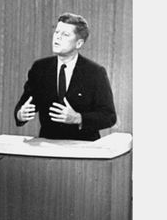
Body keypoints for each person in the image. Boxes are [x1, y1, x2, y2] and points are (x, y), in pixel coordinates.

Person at [14, 12, 116, 141]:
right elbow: (24, 104)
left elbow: (109, 117)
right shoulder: (40, 68)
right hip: (48, 146)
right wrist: (20, 114)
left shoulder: (95, 72)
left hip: (84, 149)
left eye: (65, 35)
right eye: (57, 32)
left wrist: (78, 118)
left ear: (78, 43)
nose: (57, 38)